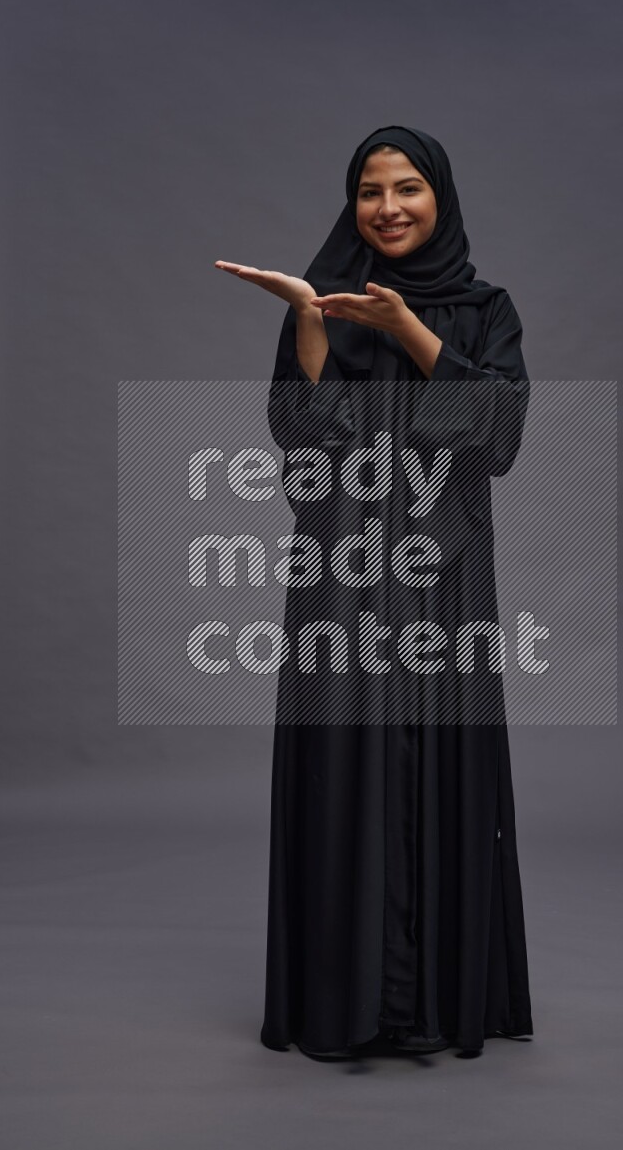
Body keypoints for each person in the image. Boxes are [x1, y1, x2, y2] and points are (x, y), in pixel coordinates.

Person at [215, 124, 533, 1060]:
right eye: (369, 190)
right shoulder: (324, 304)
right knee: (343, 759)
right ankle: (346, 1001)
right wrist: (313, 317)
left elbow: (498, 440)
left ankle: (438, 999)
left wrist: (411, 333)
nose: (387, 207)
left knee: (441, 760)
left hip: (444, 584)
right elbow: (305, 449)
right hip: (342, 580)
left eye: (407, 188)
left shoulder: (486, 310)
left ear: (441, 198)